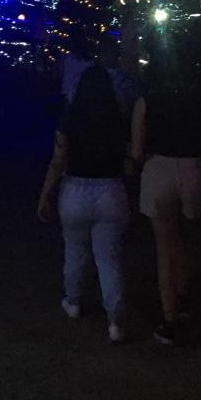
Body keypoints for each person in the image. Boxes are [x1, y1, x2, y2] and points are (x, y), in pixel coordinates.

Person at [130, 51, 201, 345]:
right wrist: (198, 153)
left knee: (164, 247)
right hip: (193, 169)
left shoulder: (146, 103)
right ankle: (183, 298)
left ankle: (168, 319)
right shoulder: (200, 102)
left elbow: (137, 152)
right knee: (184, 237)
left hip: (159, 168)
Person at [38, 65, 130, 343]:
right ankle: (115, 321)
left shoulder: (70, 118)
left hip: (75, 189)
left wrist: (45, 194)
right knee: (108, 258)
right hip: (111, 190)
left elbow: (58, 161)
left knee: (75, 250)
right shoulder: (118, 118)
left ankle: (74, 301)